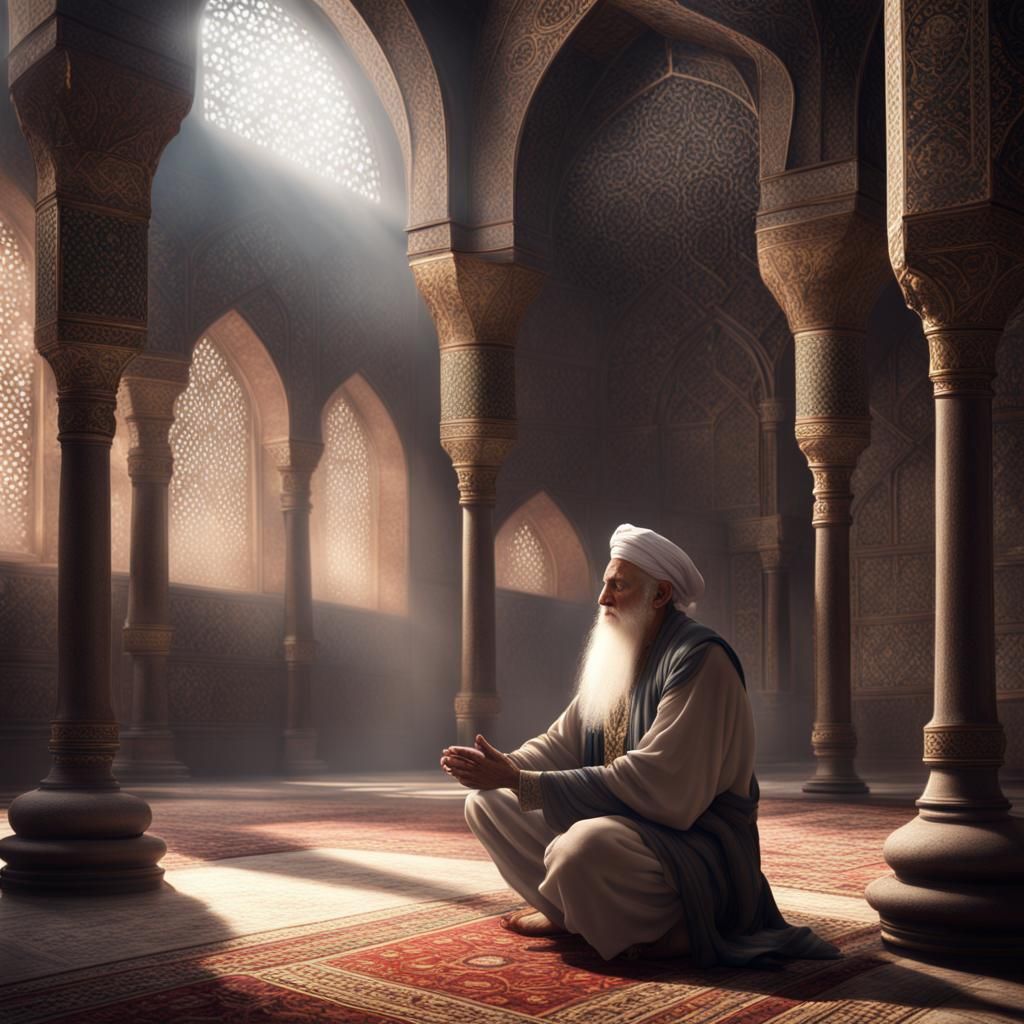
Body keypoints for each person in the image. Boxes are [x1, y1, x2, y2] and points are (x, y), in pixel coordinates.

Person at [440, 523, 838, 965]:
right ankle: (570, 913)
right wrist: (500, 767)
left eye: (618, 586)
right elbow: (559, 743)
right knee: (486, 802)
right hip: (628, 827)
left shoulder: (700, 660)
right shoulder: (621, 653)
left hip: (696, 845)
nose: (603, 598)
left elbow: (662, 787)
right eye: (605, 585)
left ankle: (676, 928)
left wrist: (523, 780)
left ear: (660, 595)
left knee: (580, 849)